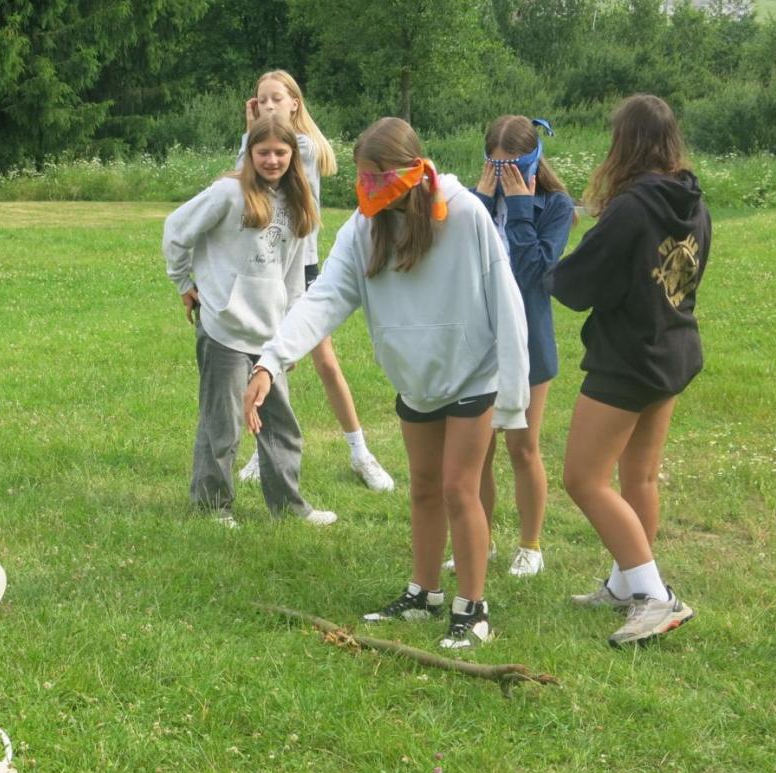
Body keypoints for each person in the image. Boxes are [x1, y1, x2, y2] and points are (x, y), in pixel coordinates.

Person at [244, 118, 529, 649]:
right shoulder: (363, 226)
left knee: (458, 489)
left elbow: (507, 304)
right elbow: (324, 298)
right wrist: (270, 360)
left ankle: (473, 607)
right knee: (423, 488)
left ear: (411, 169)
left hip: (472, 373)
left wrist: (513, 402)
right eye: (361, 176)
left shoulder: (464, 216)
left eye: (377, 176)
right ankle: (423, 593)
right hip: (416, 378)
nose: (368, 187)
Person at [551, 94, 709, 647]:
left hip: (628, 360)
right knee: (637, 476)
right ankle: (624, 585)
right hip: (671, 350)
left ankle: (655, 596)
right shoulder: (693, 200)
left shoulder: (632, 208)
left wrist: (543, 267)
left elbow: (577, 285)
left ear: (625, 144)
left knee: (583, 478)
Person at [163, 113, 336, 528]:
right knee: (222, 425)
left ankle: (290, 508)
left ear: (293, 155)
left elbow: (294, 276)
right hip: (224, 327)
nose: (272, 160)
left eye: (281, 152)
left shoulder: (298, 203)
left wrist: (289, 336)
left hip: (268, 334)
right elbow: (176, 230)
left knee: (281, 426)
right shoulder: (229, 193)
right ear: (250, 153)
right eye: (264, 152)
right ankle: (212, 506)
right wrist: (183, 281)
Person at [233, 71, 395, 493]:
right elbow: (241, 188)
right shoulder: (261, 146)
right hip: (269, 268)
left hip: (301, 270)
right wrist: (247, 136)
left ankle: (361, 452)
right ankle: (260, 453)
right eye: (261, 101)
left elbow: (268, 182)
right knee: (268, 362)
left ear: (294, 105)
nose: (268, 107)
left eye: (276, 100)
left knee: (323, 361)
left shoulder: (300, 148)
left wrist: (253, 138)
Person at [451, 116, 574, 578]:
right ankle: (477, 540)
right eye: (496, 167)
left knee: (522, 446)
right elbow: (457, 261)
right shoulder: (473, 201)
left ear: (533, 162)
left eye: (515, 167)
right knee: (476, 449)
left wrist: (520, 209)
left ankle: (531, 545)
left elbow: (536, 273)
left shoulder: (556, 206)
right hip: (479, 340)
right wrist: (482, 201)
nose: (506, 177)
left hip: (529, 341)